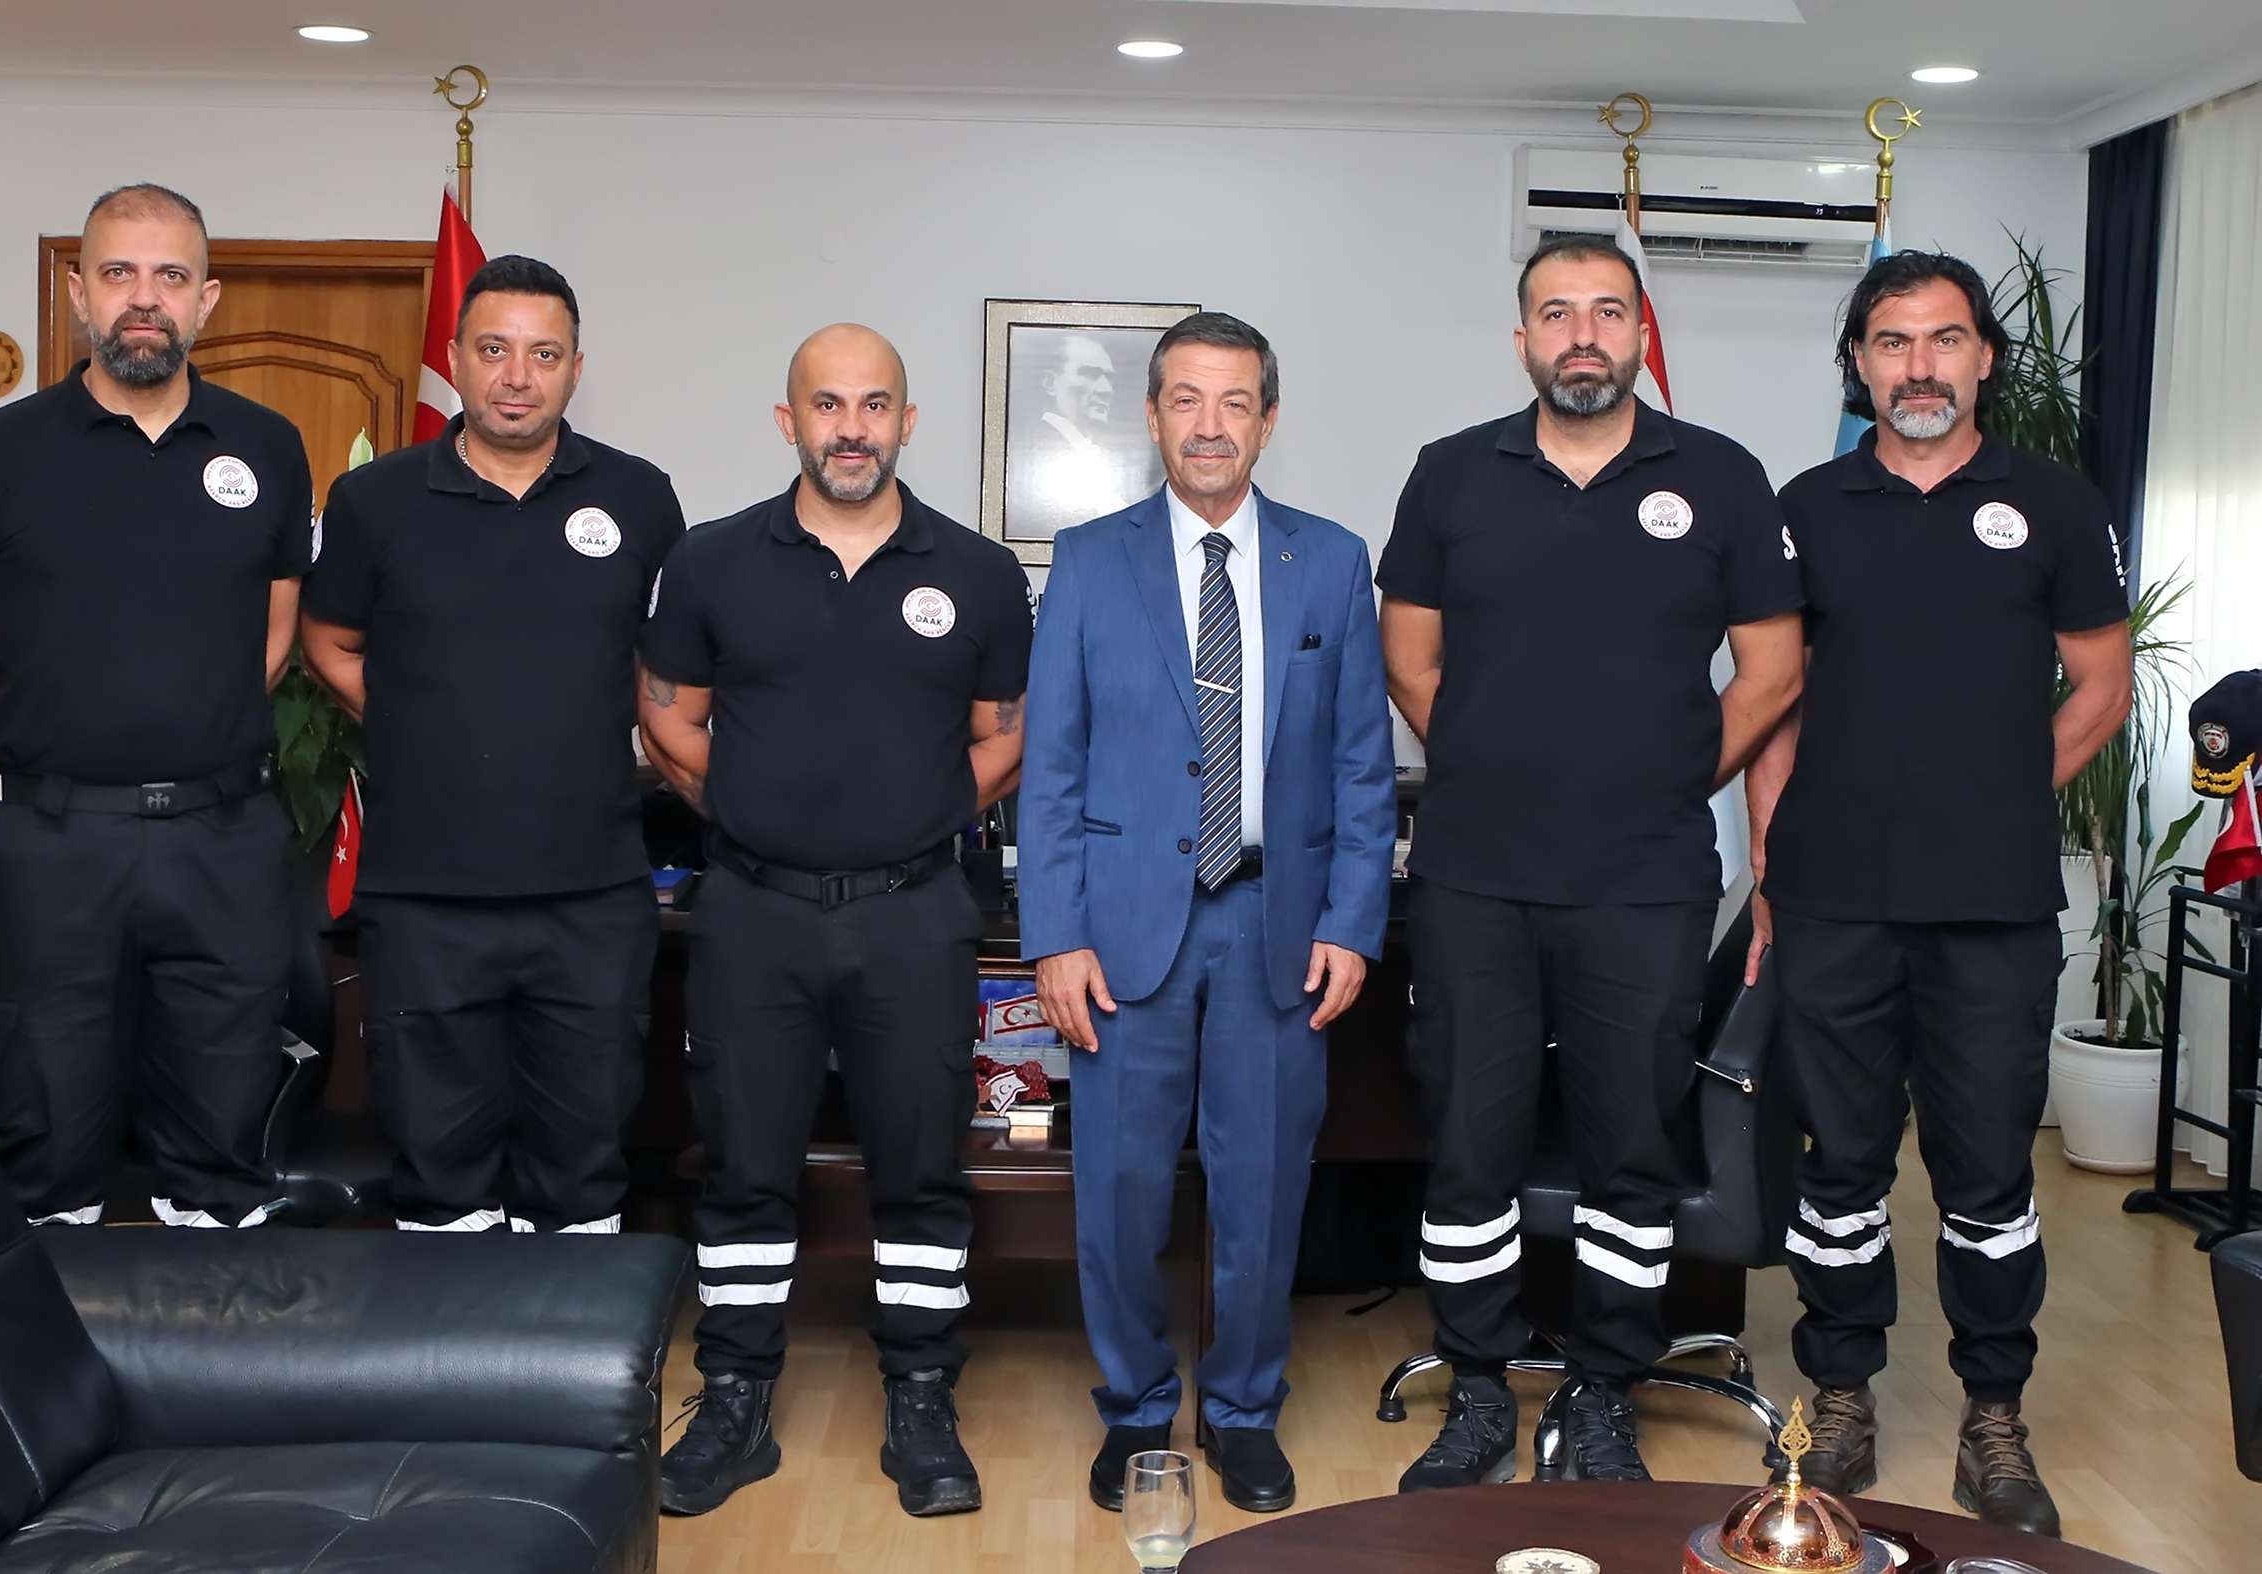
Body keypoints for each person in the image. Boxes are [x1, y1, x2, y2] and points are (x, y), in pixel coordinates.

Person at [1377, 233, 1806, 1486]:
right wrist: (1490, 759)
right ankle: (1475, 1386)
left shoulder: (1720, 476)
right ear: (1522, 339)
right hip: (1474, 874)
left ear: (1637, 332)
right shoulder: (1451, 472)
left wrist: (1672, 773)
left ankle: (1605, 1387)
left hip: (1645, 877)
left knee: (1630, 1147)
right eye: (1557, 312)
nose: (1582, 334)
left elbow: (1773, 667)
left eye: (1607, 311)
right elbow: (1408, 655)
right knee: (1470, 1142)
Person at [1745, 250, 2131, 1537]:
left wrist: (2002, 798)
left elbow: (2101, 687)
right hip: (1834, 900)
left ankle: (1993, 1416)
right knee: (1840, 1167)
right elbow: (1775, 703)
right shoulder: (1805, 506)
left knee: (1986, 1171)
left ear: (1984, 360)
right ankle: (1839, 1395)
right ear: (1858, 364)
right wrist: (1770, 868)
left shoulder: (2056, 505)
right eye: (1892, 342)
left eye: (1944, 339)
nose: (1919, 366)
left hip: (1990, 907)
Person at [638, 324, 1034, 1519]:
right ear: (788, 420)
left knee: (921, 1168)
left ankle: (920, 1396)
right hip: (752, 912)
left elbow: (1005, 734)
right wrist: (752, 811)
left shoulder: (978, 572)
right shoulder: (711, 561)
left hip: (913, 915)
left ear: (907, 422)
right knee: (744, 1168)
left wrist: (917, 815)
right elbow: (669, 717)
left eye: (873, 405)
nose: (850, 427)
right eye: (827, 403)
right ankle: (734, 1398)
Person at [1022, 312, 1397, 1514]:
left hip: (1274, 928)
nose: (1209, 425)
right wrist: (1054, 934)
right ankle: (1135, 1406)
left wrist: (1351, 919)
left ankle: (1241, 1409)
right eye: (1186, 399)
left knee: (1263, 1192)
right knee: (1118, 1192)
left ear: (1268, 420)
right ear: (1151, 415)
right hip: (1123, 933)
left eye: (1235, 402)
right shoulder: (1090, 560)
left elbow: (1360, 764)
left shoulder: (1328, 560)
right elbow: (1052, 767)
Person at [0, 184, 311, 1229]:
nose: (144, 297)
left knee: (225, 1131)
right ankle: (46, 1325)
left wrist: (181, 737)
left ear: (205, 299)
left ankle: (213, 1318)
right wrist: (59, 762)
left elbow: (271, 637)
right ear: (78, 292)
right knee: (46, 1133)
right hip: (55, 847)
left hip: (226, 843)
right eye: (119, 272)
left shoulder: (266, 446)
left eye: (170, 275)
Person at [299, 255, 684, 1235]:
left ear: (575, 368)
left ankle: (571, 1337)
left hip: (591, 892)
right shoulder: (374, 500)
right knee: (439, 1166)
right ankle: (448, 1332)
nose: (518, 376)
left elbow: (664, 665)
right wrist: (418, 717)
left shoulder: (639, 497)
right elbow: (329, 640)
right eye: (494, 350)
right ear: (457, 359)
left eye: (544, 354)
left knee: (583, 1162)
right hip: (426, 894)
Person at [1012, 332, 1142, 534]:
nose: (1106, 390)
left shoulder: (1118, 463)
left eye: (1109, 379)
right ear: (1050, 383)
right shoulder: (1025, 457)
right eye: (1090, 375)